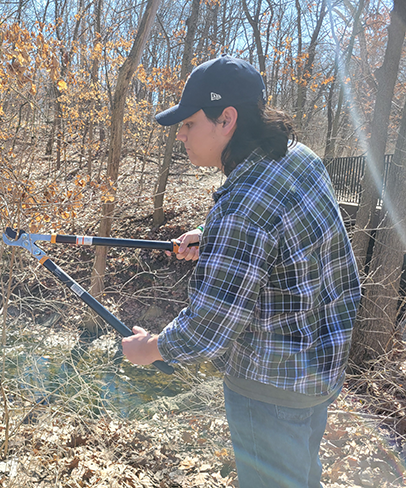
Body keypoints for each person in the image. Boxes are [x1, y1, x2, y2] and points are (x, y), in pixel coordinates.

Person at [121, 55, 361, 488]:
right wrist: (209, 233)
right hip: (321, 368)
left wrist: (150, 349)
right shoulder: (298, 157)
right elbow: (285, 232)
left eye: (189, 123)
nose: (181, 134)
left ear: (226, 119)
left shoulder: (243, 209)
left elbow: (209, 327)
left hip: (270, 389)